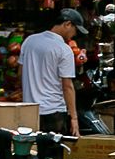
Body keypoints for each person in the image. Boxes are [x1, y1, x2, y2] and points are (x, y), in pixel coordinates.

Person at [19, 7, 82, 135]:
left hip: (29, 111)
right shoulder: (64, 50)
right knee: (53, 153)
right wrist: (74, 118)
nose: (74, 34)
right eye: (75, 30)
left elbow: (20, 72)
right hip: (54, 112)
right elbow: (67, 87)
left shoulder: (29, 41)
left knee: (32, 151)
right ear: (67, 24)